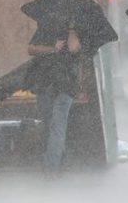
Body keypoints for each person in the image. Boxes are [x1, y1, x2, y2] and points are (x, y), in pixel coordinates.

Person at [27, 24, 85, 179]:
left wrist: (72, 31)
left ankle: (51, 168)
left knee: (56, 126)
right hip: (47, 84)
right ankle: (59, 163)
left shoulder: (74, 32)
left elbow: (75, 51)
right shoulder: (45, 29)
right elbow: (31, 49)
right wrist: (52, 48)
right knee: (50, 125)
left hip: (63, 86)